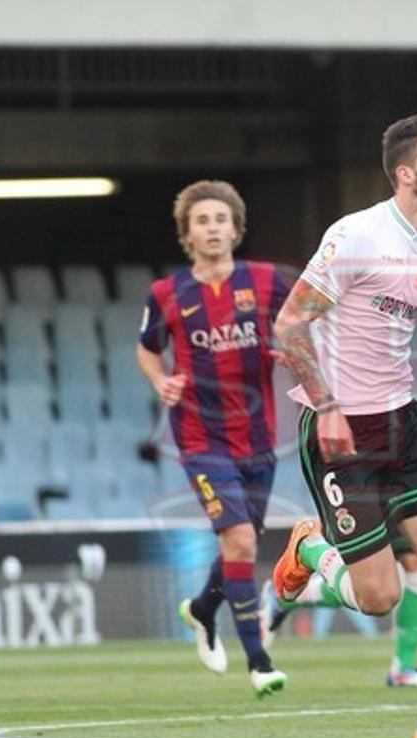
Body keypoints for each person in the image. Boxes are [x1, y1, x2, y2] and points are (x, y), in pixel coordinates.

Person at [271, 113, 417, 738]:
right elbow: (289, 327)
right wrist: (329, 404)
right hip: (339, 429)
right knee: (380, 596)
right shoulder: (356, 236)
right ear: (406, 172)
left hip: (404, 423)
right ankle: (306, 555)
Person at [136, 179, 290, 698]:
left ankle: (203, 609)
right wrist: (162, 381)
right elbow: (147, 349)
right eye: (202, 220)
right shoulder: (167, 294)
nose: (213, 228)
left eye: (220, 219)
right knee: (241, 540)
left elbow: (302, 325)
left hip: (259, 438)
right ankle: (260, 662)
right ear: (187, 233)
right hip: (202, 439)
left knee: (239, 545)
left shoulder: (267, 282)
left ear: (235, 227)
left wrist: (292, 348)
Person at [260, 414, 417, 689]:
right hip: (356, 461)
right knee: (375, 587)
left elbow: (388, 398)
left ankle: (403, 667)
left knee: (410, 569)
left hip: (395, 458)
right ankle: (294, 584)